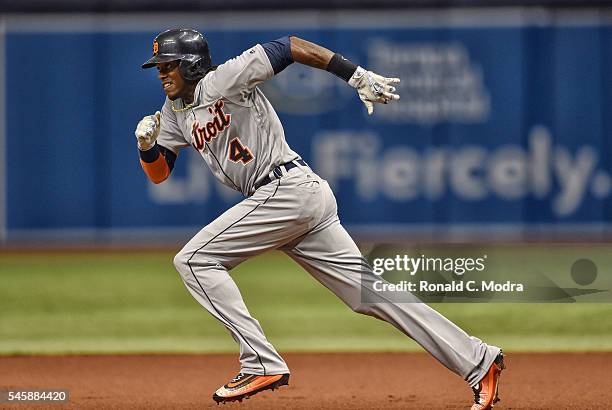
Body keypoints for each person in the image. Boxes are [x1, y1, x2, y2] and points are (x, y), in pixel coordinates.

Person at [135, 28, 505, 409]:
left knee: (195, 260)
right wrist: (147, 148)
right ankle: (479, 361)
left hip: (285, 189)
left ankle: (260, 361)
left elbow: (289, 47)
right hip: (291, 199)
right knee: (371, 295)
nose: (162, 73)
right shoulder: (172, 112)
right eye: (159, 67)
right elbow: (161, 173)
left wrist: (356, 75)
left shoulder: (224, 78)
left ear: (192, 63)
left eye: (168, 65)